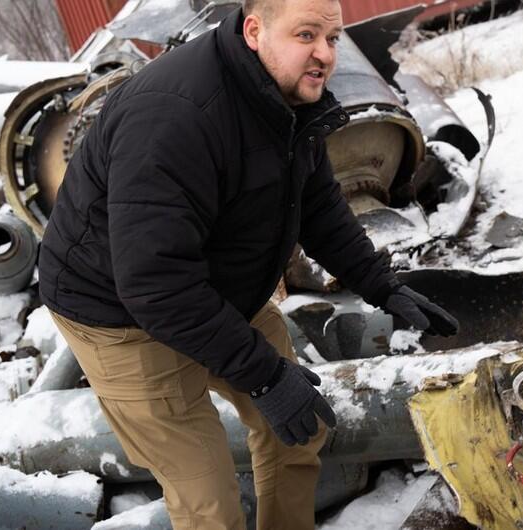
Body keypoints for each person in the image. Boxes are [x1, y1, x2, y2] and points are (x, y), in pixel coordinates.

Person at [38, 0, 459, 528]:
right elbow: (155, 284)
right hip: (119, 314)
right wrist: (263, 377)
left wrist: (381, 284)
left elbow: (316, 201)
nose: (324, 55)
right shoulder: (177, 116)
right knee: (208, 501)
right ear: (255, 31)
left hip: (212, 290)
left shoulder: (285, 93)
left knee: (299, 431)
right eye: (306, 35)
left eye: (332, 38)